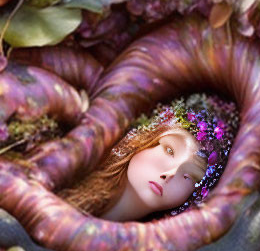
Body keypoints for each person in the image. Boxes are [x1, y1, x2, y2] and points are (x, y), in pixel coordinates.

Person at [59, 93, 238, 222]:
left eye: (188, 176)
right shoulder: (65, 175)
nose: (170, 174)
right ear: (144, 139)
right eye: (169, 150)